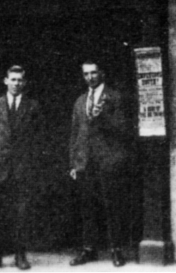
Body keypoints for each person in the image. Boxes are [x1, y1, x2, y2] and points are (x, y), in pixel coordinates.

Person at [0, 65, 44, 272]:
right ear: (5, 81)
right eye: (13, 79)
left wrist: (31, 163)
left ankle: (20, 256)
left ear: (24, 83)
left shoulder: (33, 106)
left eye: (20, 80)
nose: (16, 83)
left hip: (22, 169)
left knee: (21, 214)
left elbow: (39, 138)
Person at [69, 60, 130, 268]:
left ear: (102, 73)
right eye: (86, 74)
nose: (90, 77)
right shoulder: (79, 101)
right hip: (85, 163)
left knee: (112, 206)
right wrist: (73, 163)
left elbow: (123, 129)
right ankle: (89, 249)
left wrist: (102, 117)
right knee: (87, 208)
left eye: (94, 73)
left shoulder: (115, 97)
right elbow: (75, 134)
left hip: (108, 161)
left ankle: (116, 250)